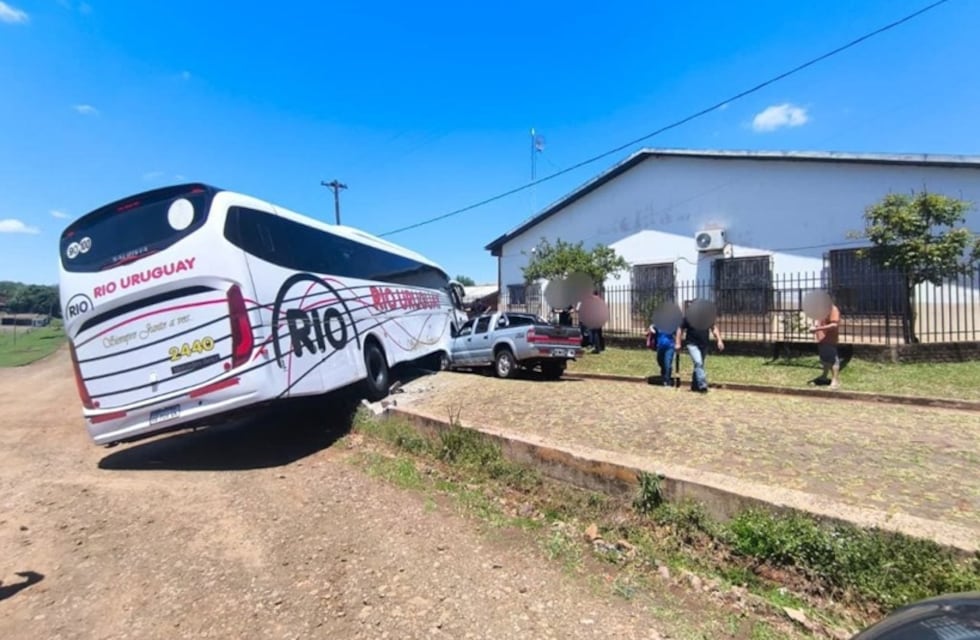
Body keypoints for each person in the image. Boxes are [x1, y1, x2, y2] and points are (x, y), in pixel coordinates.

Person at [675, 306, 724, 393]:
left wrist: (719, 340)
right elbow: (680, 329)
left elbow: (714, 328)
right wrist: (678, 343)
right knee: (698, 362)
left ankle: (695, 385)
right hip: (692, 344)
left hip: (704, 344)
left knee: (699, 365)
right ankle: (702, 385)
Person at [810, 300, 842, 389]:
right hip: (821, 339)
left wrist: (818, 329)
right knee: (825, 360)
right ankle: (824, 377)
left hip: (829, 339)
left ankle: (835, 381)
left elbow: (834, 325)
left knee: (833, 360)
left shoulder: (833, 309)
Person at [646, 322, 676, 387]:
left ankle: (667, 381)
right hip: (660, 347)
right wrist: (651, 329)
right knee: (660, 361)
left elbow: (678, 331)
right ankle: (664, 375)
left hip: (669, 347)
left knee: (667, 363)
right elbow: (651, 328)